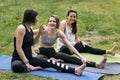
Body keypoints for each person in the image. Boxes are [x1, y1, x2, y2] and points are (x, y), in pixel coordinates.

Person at [11, 8, 86, 76]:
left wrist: (39, 33)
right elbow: (18, 48)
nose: (37, 19)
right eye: (36, 17)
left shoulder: (30, 28)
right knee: (16, 66)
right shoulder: (21, 28)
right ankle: (31, 68)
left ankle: (75, 70)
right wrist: (27, 63)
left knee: (51, 63)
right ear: (31, 18)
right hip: (18, 59)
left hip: (30, 58)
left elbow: (33, 43)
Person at [33, 15, 107, 71]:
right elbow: (28, 34)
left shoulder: (59, 33)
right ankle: (53, 60)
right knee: (40, 61)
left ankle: (97, 65)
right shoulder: (43, 30)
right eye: (50, 21)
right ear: (47, 22)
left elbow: (69, 45)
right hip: (41, 52)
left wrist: (81, 57)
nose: (52, 23)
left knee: (72, 58)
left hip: (52, 52)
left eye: (54, 21)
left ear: (57, 23)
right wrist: (35, 46)